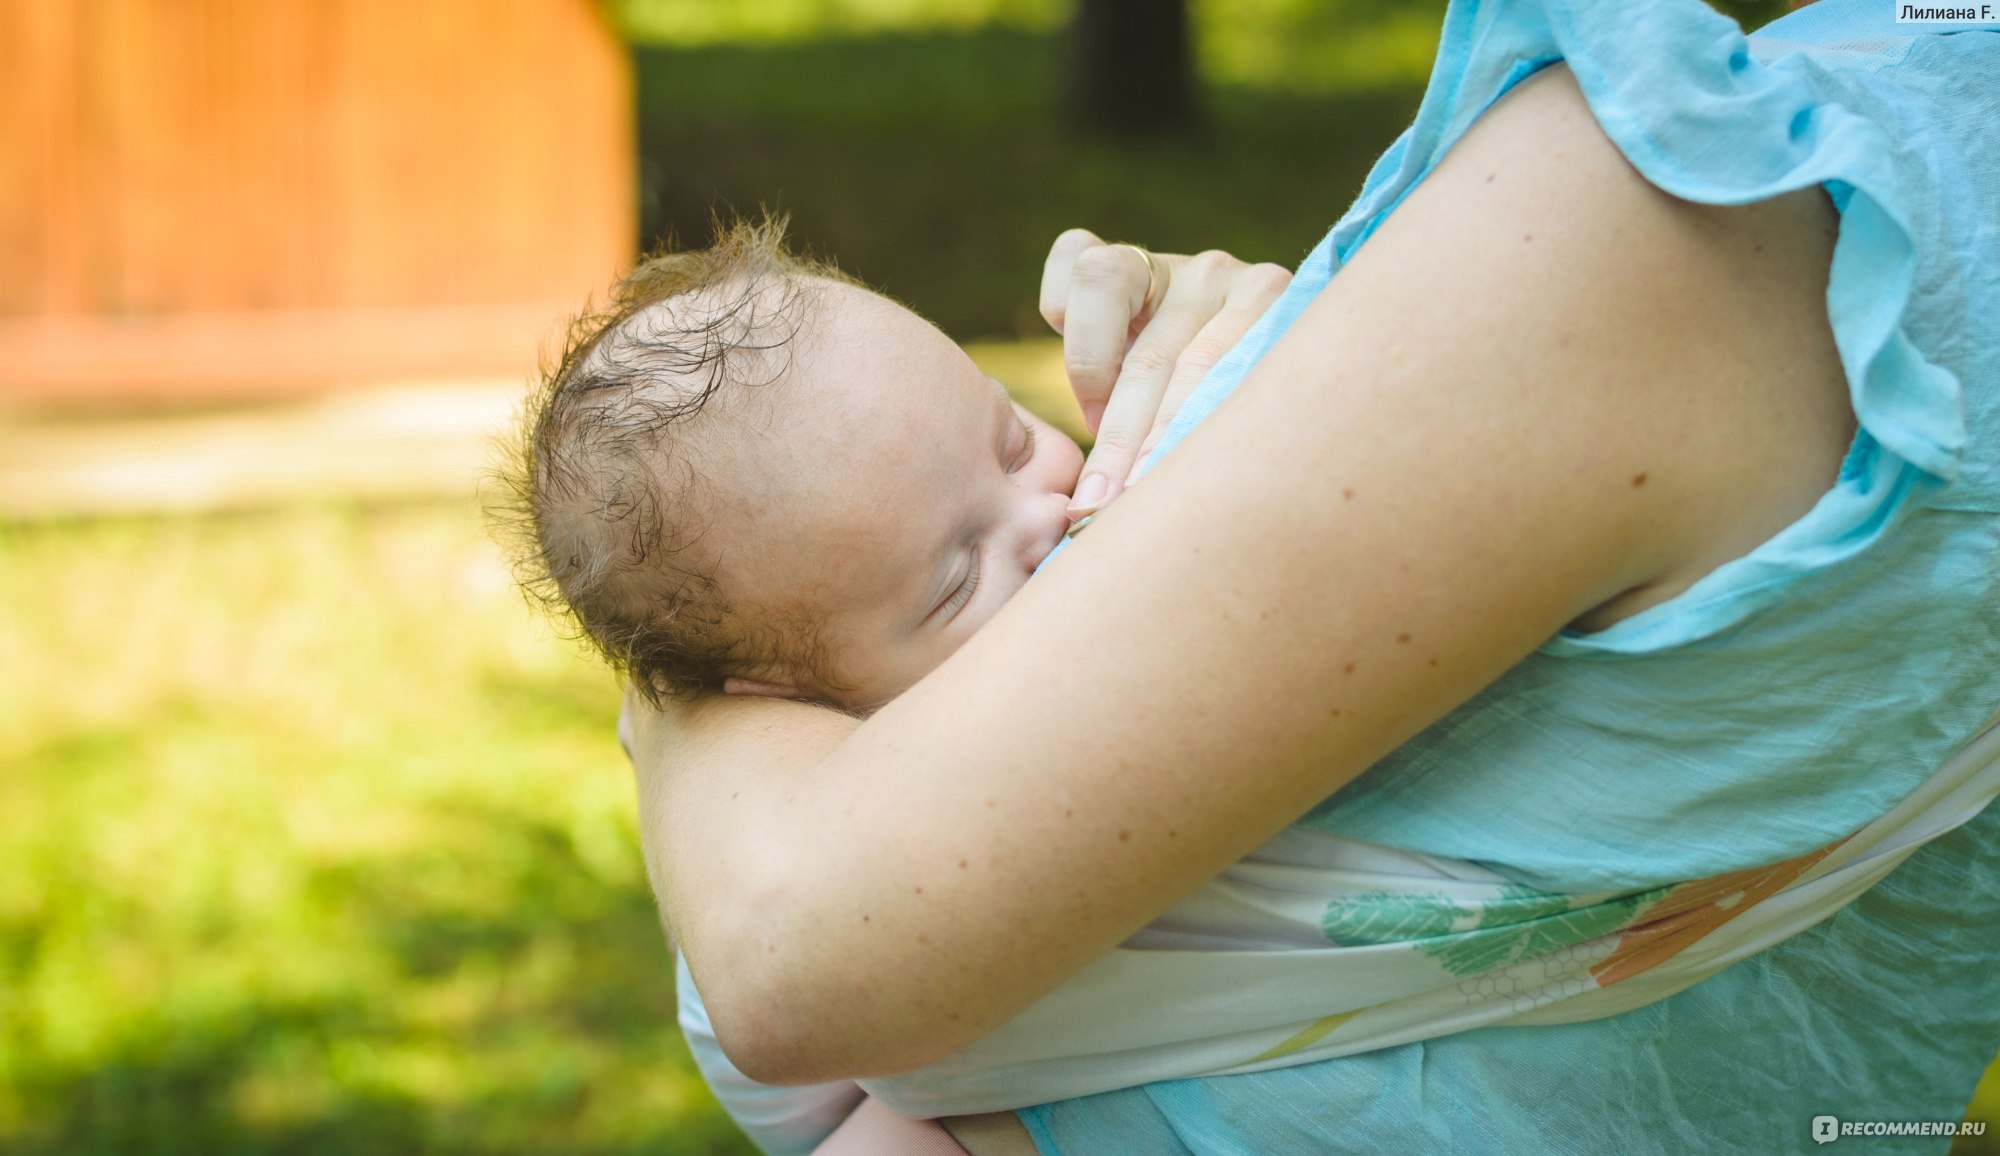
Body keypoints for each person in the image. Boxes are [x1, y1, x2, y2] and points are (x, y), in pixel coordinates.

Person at [620, 0, 2000, 1151]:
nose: (1044, 511)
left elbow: (796, 951)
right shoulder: (1687, 196)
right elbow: (789, 975)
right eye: (948, 574)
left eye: (1009, 433)